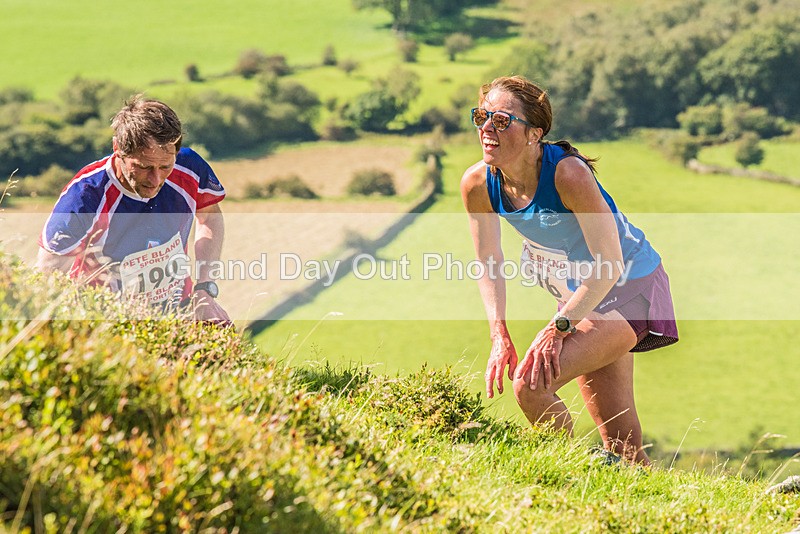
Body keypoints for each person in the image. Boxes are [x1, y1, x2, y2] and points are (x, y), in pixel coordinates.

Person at [460, 75, 678, 465]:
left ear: (534, 134)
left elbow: (609, 263)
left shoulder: (568, 174)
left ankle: (562, 476)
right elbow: (488, 263)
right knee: (622, 444)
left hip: (630, 287)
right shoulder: (478, 183)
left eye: (502, 120)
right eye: (482, 117)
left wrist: (559, 327)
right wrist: (499, 333)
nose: (487, 129)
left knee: (530, 385)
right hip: (584, 296)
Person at [36, 95, 231, 325]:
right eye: (144, 167)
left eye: (165, 166)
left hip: (181, 308)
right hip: (110, 322)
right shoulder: (84, 199)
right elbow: (47, 278)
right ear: (118, 148)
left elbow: (209, 218)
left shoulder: (189, 168)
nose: (156, 179)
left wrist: (204, 290)